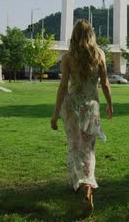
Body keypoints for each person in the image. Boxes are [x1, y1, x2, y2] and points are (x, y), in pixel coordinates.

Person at [51, 19, 113, 217]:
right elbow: (105, 83)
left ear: (74, 35)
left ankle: (81, 183)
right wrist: (110, 104)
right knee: (88, 148)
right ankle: (84, 185)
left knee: (74, 146)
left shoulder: (67, 57)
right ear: (91, 34)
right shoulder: (99, 54)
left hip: (71, 106)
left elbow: (62, 86)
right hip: (91, 107)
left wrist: (55, 113)